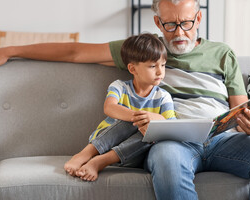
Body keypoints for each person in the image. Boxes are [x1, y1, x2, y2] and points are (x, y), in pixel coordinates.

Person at [0, 0, 250, 199]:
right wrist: (12, 49)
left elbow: (240, 111)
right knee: (166, 160)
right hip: (172, 142)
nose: (179, 33)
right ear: (157, 22)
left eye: (187, 23)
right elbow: (76, 52)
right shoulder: (144, 49)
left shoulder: (222, 53)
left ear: (198, 19)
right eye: (170, 24)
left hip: (219, 140)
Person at [64, 33, 176, 181]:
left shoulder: (163, 97)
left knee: (152, 132)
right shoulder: (120, 86)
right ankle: (85, 154)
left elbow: (172, 127)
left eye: (162, 65)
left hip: (131, 154)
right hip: (104, 145)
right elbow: (109, 108)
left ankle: (99, 162)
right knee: (134, 119)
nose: (160, 72)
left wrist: (157, 119)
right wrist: (138, 116)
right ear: (133, 69)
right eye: (152, 66)